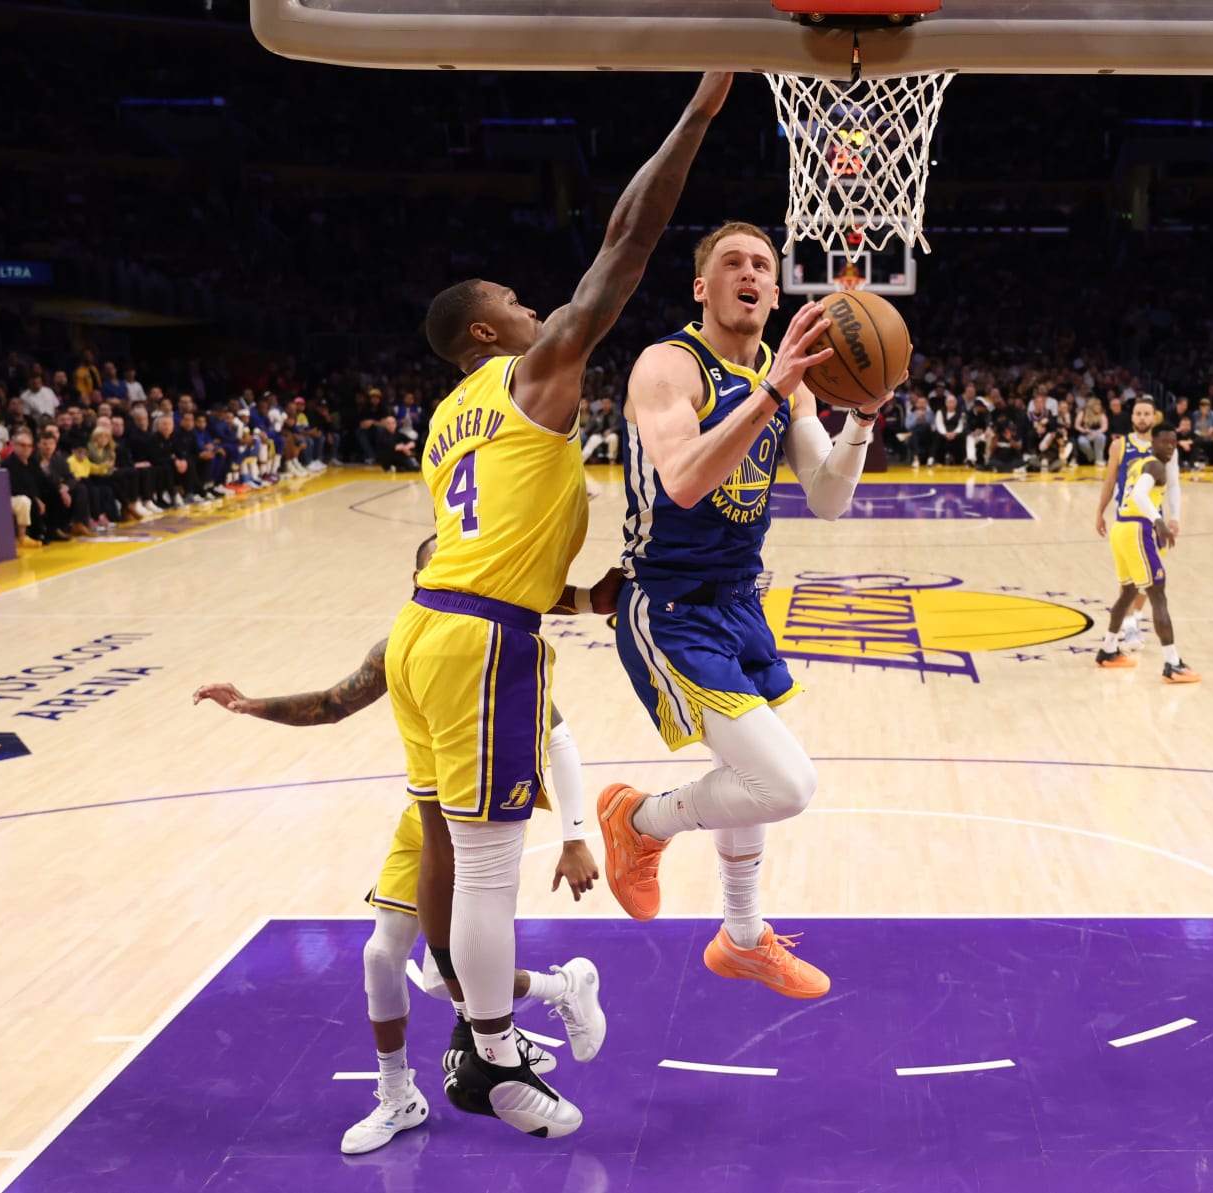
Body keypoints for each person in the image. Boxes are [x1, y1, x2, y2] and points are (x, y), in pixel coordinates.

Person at [390, 71, 731, 1140]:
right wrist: (702, 111)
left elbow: (469, 546)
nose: (542, 314)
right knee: (491, 868)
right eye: (520, 309)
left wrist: (585, 589)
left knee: (463, 861)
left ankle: (489, 1033)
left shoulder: (448, 420)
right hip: (486, 642)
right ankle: (493, 1055)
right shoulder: (529, 375)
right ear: (491, 336)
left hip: (426, 633)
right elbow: (626, 246)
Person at [192, 533, 611, 1155]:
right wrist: (253, 705)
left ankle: (549, 1001)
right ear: (419, 583)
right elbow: (333, 704)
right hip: (426, 821)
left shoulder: (491, 651)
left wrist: (574, 838)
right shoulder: (403, 646)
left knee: (452, 982)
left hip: (481, 819)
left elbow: (561, 738)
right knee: (382, 958)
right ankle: (400, 1096)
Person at [599, 219, 901, 1002]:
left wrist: (861, 418)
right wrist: (772, 392)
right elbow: (684, 483)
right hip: (667, 606)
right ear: (702, 287)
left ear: (775, 289)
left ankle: (740, 939)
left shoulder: (789, 376)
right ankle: (640, 820)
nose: (750, 273)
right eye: (731, 262)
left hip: (739, 604)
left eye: (762, 265)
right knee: (786, 782)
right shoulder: (668, 366)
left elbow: (828, 497)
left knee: (752, 771)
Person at [1094, 423, 1199, 684]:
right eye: (1165, 442)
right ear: (1153, 443)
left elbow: (1127, 492)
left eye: (1174, 443)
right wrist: (1158, 521)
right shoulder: (1155, 466)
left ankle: (1107, 649)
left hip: (1122, 528)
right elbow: (1140, 495)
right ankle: (1172, 664)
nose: (1170, 447)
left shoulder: (1139, 465)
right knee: (1158, 594)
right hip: (1138, 529)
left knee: (1129, 591)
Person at [1095, 398, 1159, 645]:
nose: (1142, 418)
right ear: (1132, 418)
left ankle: (1134, 619)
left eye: (1146, 414)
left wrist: (1173, 518)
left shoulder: (1161, 446)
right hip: (1128, 519)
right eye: (1138, 413)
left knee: (1148, 580)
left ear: (1154, 418)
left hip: (1154, 520)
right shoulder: (1119, 445)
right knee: (1130, 580)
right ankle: (1130, 625)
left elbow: (1172, 484)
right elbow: (1110, 481)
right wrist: (1100, 511)